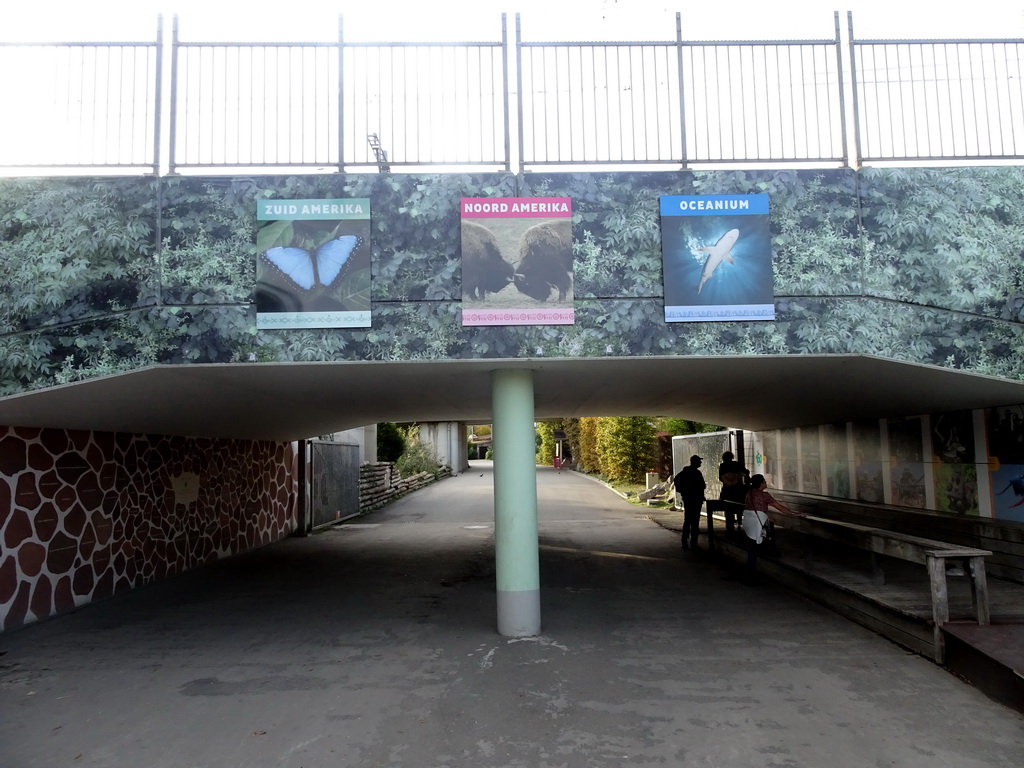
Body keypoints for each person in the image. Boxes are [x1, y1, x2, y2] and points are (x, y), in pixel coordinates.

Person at [741, 474, 804, 582]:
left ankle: (751, 572)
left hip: (748, 521)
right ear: (761, 483)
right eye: (764, 481)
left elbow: (752, 508)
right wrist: (793, 514)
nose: (766, 482)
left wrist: (767, 517)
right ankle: (750, 576)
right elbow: (779, 507)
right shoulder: (764, 495)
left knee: (753, 546)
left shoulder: (749, 493)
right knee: (754, 548)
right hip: (757, 523)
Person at [673, 455, 706, 550]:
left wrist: (682, 491)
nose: (700, 463)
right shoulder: (696, 473)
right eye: (699, 461)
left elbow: (676, 480)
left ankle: (684, 541)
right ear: (695, 462)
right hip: (696, 499)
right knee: (695, 521)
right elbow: (702, 486)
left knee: (687, 520)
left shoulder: (684, 472)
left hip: (687, 498)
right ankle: (693, 542)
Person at [718, 450, 749, 536]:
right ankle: (739, 522)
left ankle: (729, 524)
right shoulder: (737, 464)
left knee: (728, 508)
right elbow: (746, 472)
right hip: (738, 489)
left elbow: (720, 478)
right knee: (739, 506)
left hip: (727, 490)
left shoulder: (722, 466)